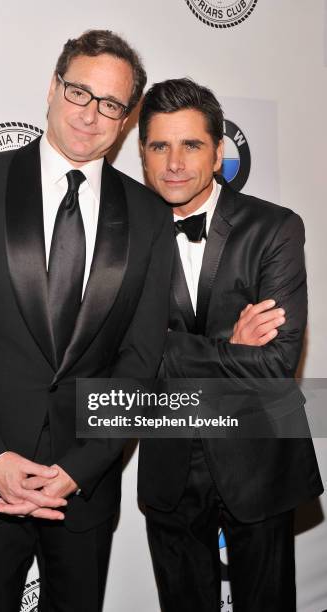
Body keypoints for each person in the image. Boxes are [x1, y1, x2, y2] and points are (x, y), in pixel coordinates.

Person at [0, 30, 175, 612]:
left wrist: (77, 469)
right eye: (80, 92)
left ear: (127, 119)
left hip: (83, 491)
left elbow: (140, 361)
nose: (90, 114)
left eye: (111, 104)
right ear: (53, 89)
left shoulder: (152, 217)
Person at [137, 77, 323, 612]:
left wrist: (168, 347)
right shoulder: (121, 238)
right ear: (143, 154)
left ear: (219, 153)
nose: (174, 162)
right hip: (169, 458)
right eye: (159, 146)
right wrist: (230, 346)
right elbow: (122, 357)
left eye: (191, 144)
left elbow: (275, 362)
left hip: (260, 456)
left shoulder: (276, 228)